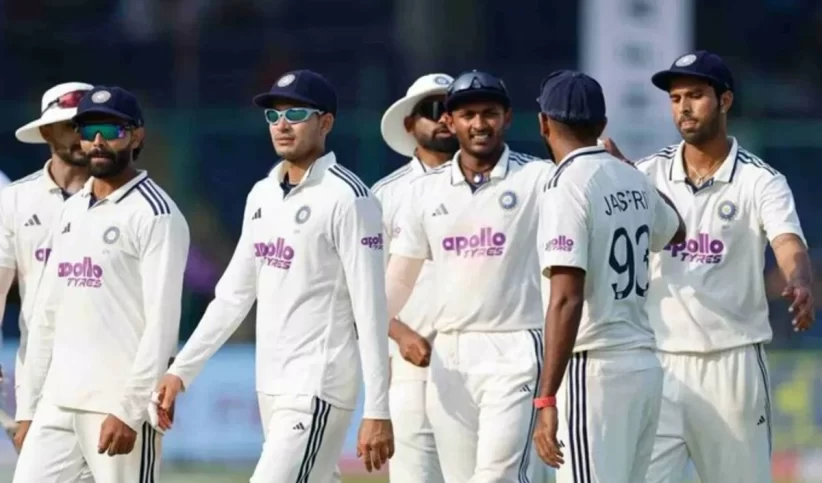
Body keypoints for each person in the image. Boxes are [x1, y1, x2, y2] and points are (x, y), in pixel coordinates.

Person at [153, 70, 394, 482]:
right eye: (274, 116)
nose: (282, 125)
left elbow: (371, 309)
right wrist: (181, 371)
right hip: (270, 384)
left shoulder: (350, 198)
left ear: (326, 122)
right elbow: (233, 296)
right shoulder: (262, 194)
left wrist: (378, 409)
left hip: (319, 384)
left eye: (295, 114)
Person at [603, 51, 813, 483]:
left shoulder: (761, 180)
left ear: (725, 101)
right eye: (675, 98)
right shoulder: (647, 173)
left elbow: (787, 241)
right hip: (659, 364)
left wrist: (799, 279)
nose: (683, 107)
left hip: (731, 365)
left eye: (696, 95)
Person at [13, 86, 190, 482]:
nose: (97, 141)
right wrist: (29, 408)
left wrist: (129, 410)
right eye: (88, 129)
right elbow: (47, 313)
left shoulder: (156, 215)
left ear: (137, 136)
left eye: (111, 131)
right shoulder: (73, 208)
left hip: (116, 403)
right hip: (59, 401)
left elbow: (162, 325)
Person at [383, 69, 553, 482]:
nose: (479, 124)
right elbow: (398, 281)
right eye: (467, 115)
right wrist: (383, 329)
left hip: (516, 344)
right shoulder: (422, 192)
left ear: (507, 117)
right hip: (449, 353)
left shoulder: (540, 178)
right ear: (452, 120)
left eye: (489, 113)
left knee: (496, 476)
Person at [529, 70, 686, 483]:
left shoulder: (565, 185)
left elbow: (566, 298)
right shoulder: (632, 177)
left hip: (594, 371)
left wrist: (546, 397)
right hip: (644, 369)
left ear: (543, 123)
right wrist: (629, 167)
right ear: (602, 125)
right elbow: (677, 229)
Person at [0, 83, 94, 448]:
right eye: (71, 125)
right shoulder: (15, 200)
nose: (82, 135)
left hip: (112, 378)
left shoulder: (130, 200)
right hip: (38, 379)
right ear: (46, 132)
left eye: (88, 125)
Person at [373, 72, 457, 483]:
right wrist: (400, 333)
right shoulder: (383, 195)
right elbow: (362, 288)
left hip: (488, 362)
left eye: (452, 109)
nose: (445, 118)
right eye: (433, 109)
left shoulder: (499, 183)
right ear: (409, 123)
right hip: (412, 367)